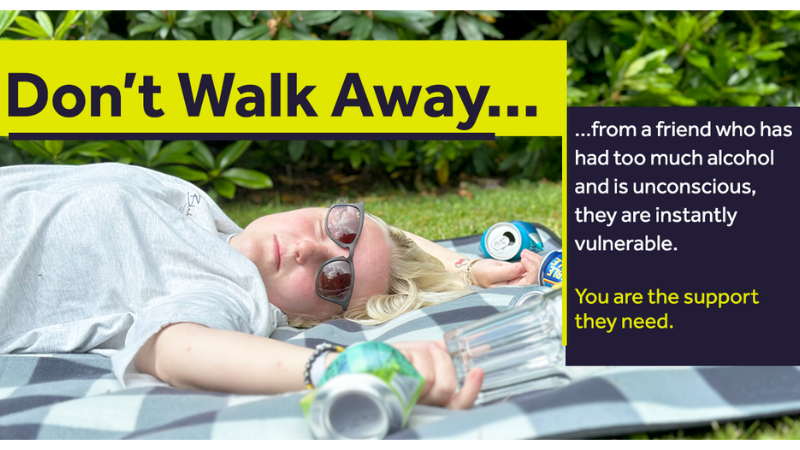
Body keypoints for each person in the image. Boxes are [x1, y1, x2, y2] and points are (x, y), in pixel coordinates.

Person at [0, 162, 542, 410]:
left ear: (314, 318)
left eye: (334, 277)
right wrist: (464, 268)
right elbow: (386, 235)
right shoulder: (205, 220)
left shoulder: (231, 292)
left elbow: (175, 349)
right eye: (339, 226)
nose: (311, 249)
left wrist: (333, 367)